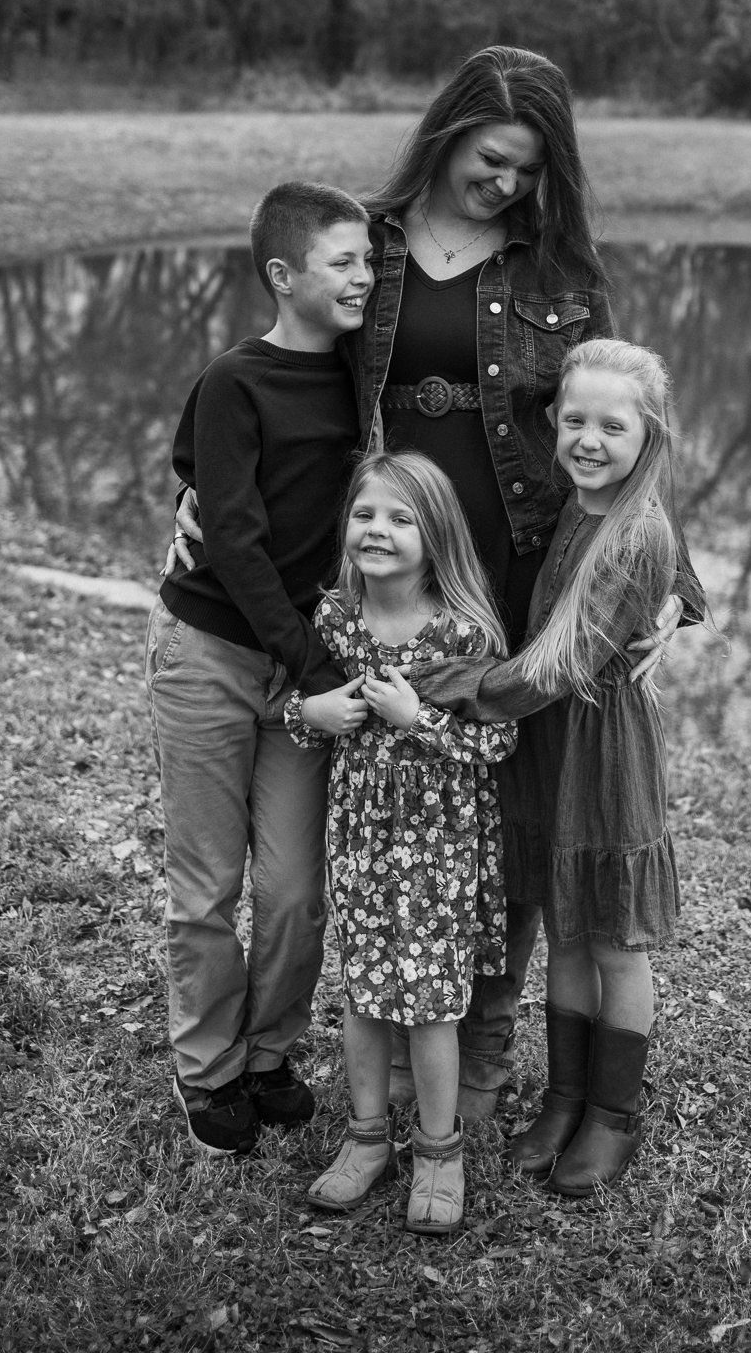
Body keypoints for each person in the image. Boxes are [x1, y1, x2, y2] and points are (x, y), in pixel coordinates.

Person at [167, 45, 681, 1109]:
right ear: (446, 136)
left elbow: (620, 418)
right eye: (491, 160)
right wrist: (200, 486)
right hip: (383, 568)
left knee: (497, 819)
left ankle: (478, 1048)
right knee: (382, 803)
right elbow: (277, 373)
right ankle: (385, 1039)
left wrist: (674, 584)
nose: (506, 183)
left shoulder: (559, 269)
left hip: (514, 566)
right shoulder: (371, 246)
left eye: (529, 169)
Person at [417, 338, 708, 1196]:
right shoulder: (577, 505)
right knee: (566, 927)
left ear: (649, 437)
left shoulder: (636, 532)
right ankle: (564, 1099)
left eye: (612, 427)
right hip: (552, 744)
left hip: (601, 745)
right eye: (574, 420)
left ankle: (612, 1115)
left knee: (613, 939)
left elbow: (558, 667)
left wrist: (454, 685)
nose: (588, 439)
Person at [143, 180, 374, 1157]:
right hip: (211, 653)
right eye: (343, 261)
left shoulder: (366, 382)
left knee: (291, 890)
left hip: (301, 664)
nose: (363, 277)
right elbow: (230, 536)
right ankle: (207, 1069)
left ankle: (269, 1051)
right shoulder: (234, 381)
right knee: (208, 884)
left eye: (370, 261)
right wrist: (315, 666)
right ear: (283, 275)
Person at [285, 452, 516, 1235]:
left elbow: (499, 743)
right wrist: (310, 714)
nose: (377, 530)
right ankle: (365, 1139)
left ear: (435, 534)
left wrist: (418, 719)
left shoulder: (462, 631)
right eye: (364, 514)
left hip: (439, 851)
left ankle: (439, 1153)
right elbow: (292, 707)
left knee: (430, 1004)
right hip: (359, 839)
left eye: (399, 518)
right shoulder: (333, 620)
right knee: (362, 991)